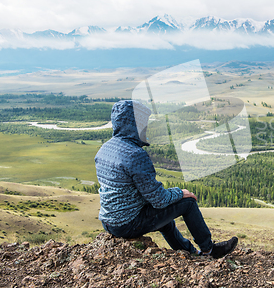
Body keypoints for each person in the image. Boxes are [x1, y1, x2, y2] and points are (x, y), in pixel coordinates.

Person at [95, 100, 238, 258]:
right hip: (127, 224)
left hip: (109, 222)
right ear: (133, 124)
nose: (146, 127)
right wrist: (180, 193)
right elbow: (159, 199)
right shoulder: (135, 155)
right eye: (143, 123)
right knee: (188, 203)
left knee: (164, 220)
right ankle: (209, 250)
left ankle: (190, 253)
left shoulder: (105, 149)